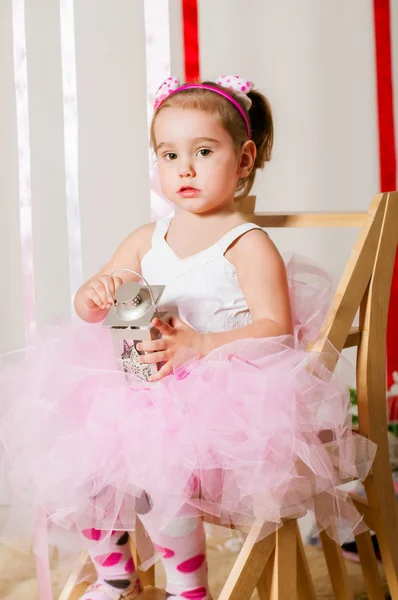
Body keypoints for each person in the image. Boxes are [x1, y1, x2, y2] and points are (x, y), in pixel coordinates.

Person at [0, 75, 376, 600]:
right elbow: (92, 305)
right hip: (139, 381)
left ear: (243, 160)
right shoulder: (145, 238)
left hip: (220, 395)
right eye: (169, 155)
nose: (186, 168)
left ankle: (186, 589)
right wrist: (97, 291)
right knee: (82, 461)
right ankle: (114, 576)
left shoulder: (246, 243)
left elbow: (274, 327)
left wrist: (198, 346)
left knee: (163, 470)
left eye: (203, 151)